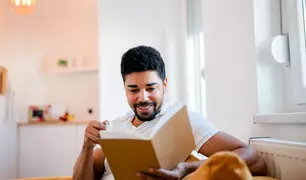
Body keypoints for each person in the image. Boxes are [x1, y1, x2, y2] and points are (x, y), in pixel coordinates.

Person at [72, 45, 267, 180]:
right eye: (133, 90)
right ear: (124, 88)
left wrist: (185, 169)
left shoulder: (181, 121)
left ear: (165, 85)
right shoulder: (114, 127)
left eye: (151, 88)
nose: (143, 98)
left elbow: (253, 158)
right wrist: (86, 147)